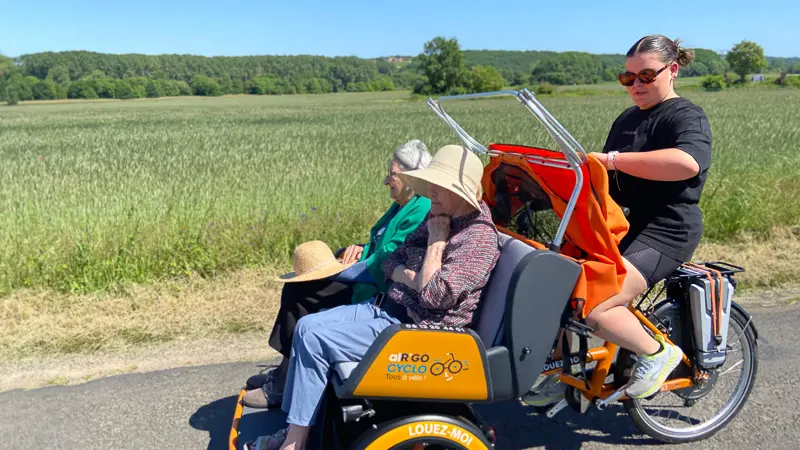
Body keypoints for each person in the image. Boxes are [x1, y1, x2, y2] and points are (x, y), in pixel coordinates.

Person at [245, 145, 501, 450]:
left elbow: (434, 297)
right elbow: (392, 258)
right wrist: (413, 276)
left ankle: (294, 443)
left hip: (421, 333)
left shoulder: (477, 238)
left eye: (439, 186)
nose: (430, 191)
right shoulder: (439, 215)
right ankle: (295, 432)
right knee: (305, 327)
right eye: (430, 183)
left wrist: (434, 243)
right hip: (389, 310)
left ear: (462, 192)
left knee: (314, 340)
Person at [525, 34, 712, 406]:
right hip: (621, 226)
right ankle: (558, 369)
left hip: (665, 231)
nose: (636, 85)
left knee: (595, 305)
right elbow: (603, 182)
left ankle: (658, 353)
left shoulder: (685, 115)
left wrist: (611, 159)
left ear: (672, 70)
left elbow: (687, 162)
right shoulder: (627, 119)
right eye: (628, 78)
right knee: (555, 279)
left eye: (646, 75)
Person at [244, 140, 432, 408]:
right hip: (369, 277)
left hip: (376, 288)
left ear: (411, 176)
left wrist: (339, 273)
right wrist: (360, 248)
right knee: (300, 289)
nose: (385, 181)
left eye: (391, 174)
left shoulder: (420, 209)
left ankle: (284, 383)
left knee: (302, 292)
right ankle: (286, 371)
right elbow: (380, 242)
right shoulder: (403, 204)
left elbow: (388, 259)